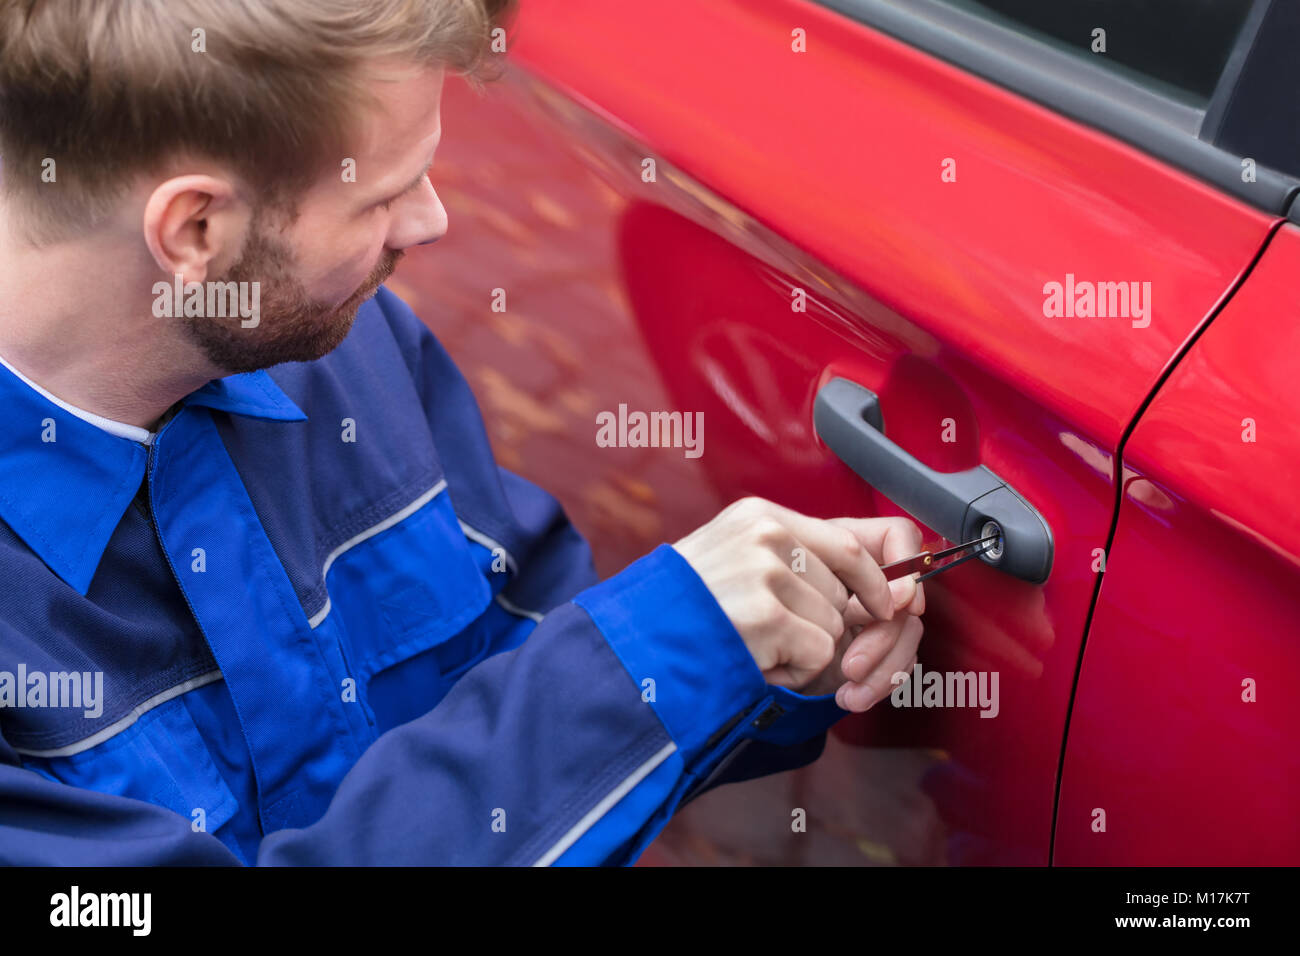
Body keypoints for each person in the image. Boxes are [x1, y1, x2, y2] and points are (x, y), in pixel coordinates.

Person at [0, 0, 924, 865]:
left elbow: (535, 658)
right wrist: (663, 644)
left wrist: (751, 644)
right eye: (381, 198)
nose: (432, 222)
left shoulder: (350, 361)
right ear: (195, 227)